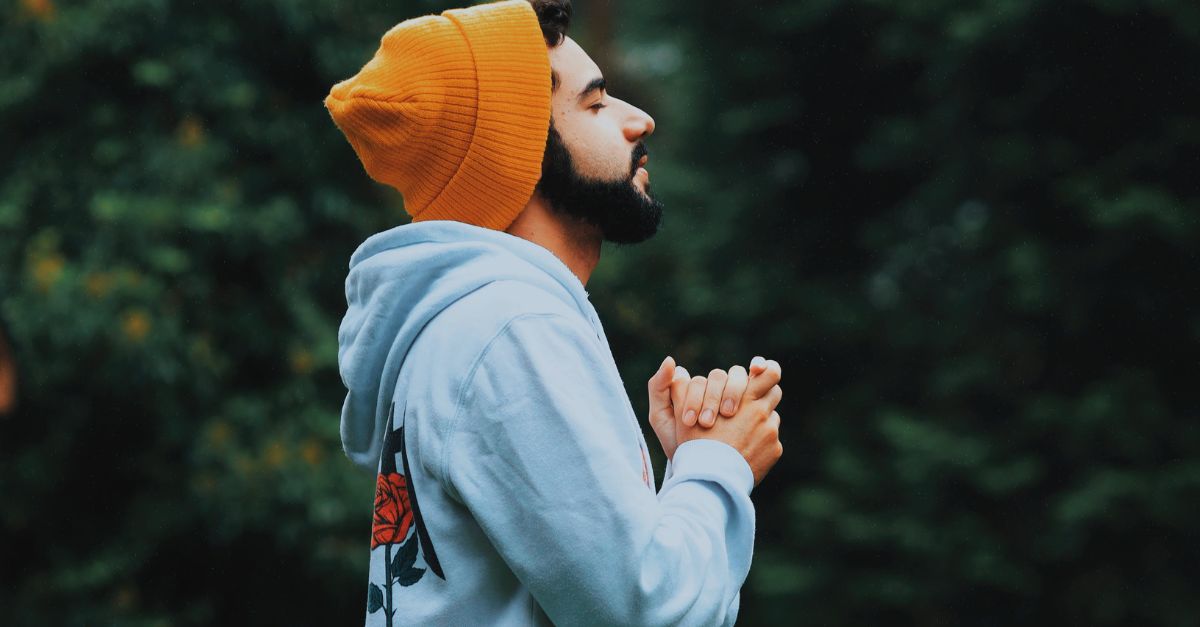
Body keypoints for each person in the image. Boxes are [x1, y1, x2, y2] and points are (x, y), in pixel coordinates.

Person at [324, 1, 784, 624]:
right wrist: (719, 465)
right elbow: (647, 612)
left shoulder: (464, 326)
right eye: (594, 105)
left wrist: (682, 468)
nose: (638, 119)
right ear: (516, 156)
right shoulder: (510, 328)